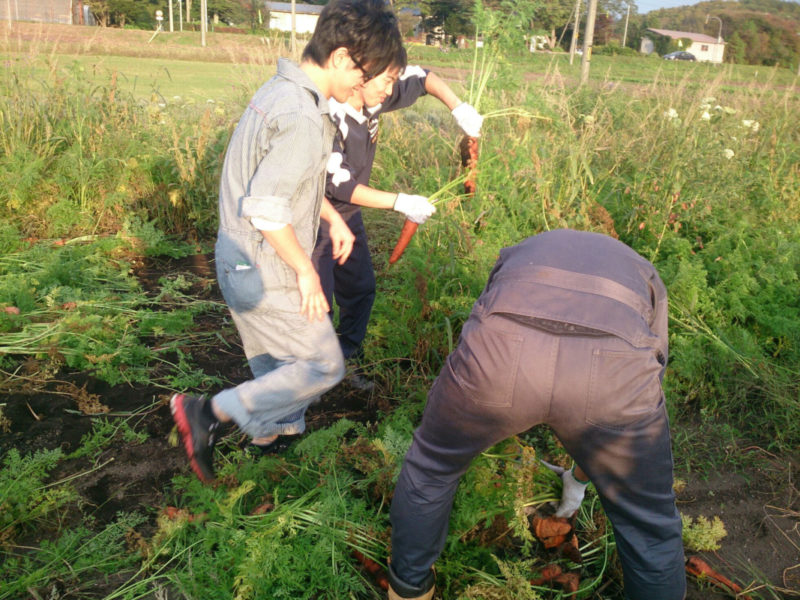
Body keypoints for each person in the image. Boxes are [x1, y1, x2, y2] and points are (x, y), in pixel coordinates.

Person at [169, 0, 404, 483]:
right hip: (264, 265)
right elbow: (266, 207)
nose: (364, 86)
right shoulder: (301, 116)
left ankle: (269, 447)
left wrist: (330, 218)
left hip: (239, 260)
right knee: (322, 364)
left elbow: (278, 180)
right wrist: (304, 272)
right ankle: (208, 412)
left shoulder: (281, 90)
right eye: (363, 74)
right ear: (341, 58)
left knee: (279, 364)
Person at [388, 229, 686, 600]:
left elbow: (481, 315)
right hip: (614, 376)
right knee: (649, 524)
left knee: (432, 467)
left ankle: (409, 587)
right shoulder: (646, 272)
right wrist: (582, 475)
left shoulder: (518, 249)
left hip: (500, 355)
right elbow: (653, 366)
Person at [311, 52, 484, 388]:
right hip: (317, 216)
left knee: (361, 288)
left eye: (393, 81)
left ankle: (346, 360)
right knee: (319, 302)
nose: (391, 91)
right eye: (386, 81)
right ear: (360, 76)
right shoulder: (330, 116)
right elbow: (339, 183)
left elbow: (423, 78)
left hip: (348, 216)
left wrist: (458, 107)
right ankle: (309, 379)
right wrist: (399, 202)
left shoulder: (375, 97)